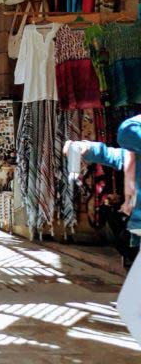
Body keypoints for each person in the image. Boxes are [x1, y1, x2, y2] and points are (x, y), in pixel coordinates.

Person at [64, 116, 141, 345]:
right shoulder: (133, 155)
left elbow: (127, 132)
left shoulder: (133, 129)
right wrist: (88, 149)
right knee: (130, 306)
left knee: (131, 305)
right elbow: (121, 155)